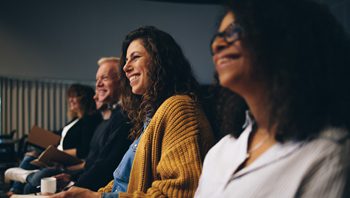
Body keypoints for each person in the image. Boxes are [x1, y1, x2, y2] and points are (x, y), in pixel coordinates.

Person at [195, 0, 350, 197]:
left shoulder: (328, 154)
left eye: (235, 31)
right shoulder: (221, 150)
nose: (217, 44)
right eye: (217, 37)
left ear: (288, 38)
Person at [51, 26, 215, 198]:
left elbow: (178, 193)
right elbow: (121, 182)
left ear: (160, 61)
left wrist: (96, 197)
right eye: (126, 60)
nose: (125, 68)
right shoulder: (150, 115)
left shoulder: (179, 108)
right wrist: (93, 194)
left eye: (135, 57)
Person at [5, 83, 101, 195]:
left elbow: (83, 150)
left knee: (32, 172)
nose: (71, 100)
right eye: (70, 97)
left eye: (75, 97)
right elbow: (58, 136)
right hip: (58, 155)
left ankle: (22, 183)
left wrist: (55, 154)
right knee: (29, 156)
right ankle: (15, 189)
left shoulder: (89, 121)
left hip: (67, 159)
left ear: (85, 99)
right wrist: (43, 147)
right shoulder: (75, 120)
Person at [73, 57, 132, 191]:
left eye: (104, 78)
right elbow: (93, 163)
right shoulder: (114, 116)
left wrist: (73, 188)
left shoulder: (125, 116)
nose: (98, 85)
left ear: (122, 81)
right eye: (97, 80)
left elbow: (106, 166)